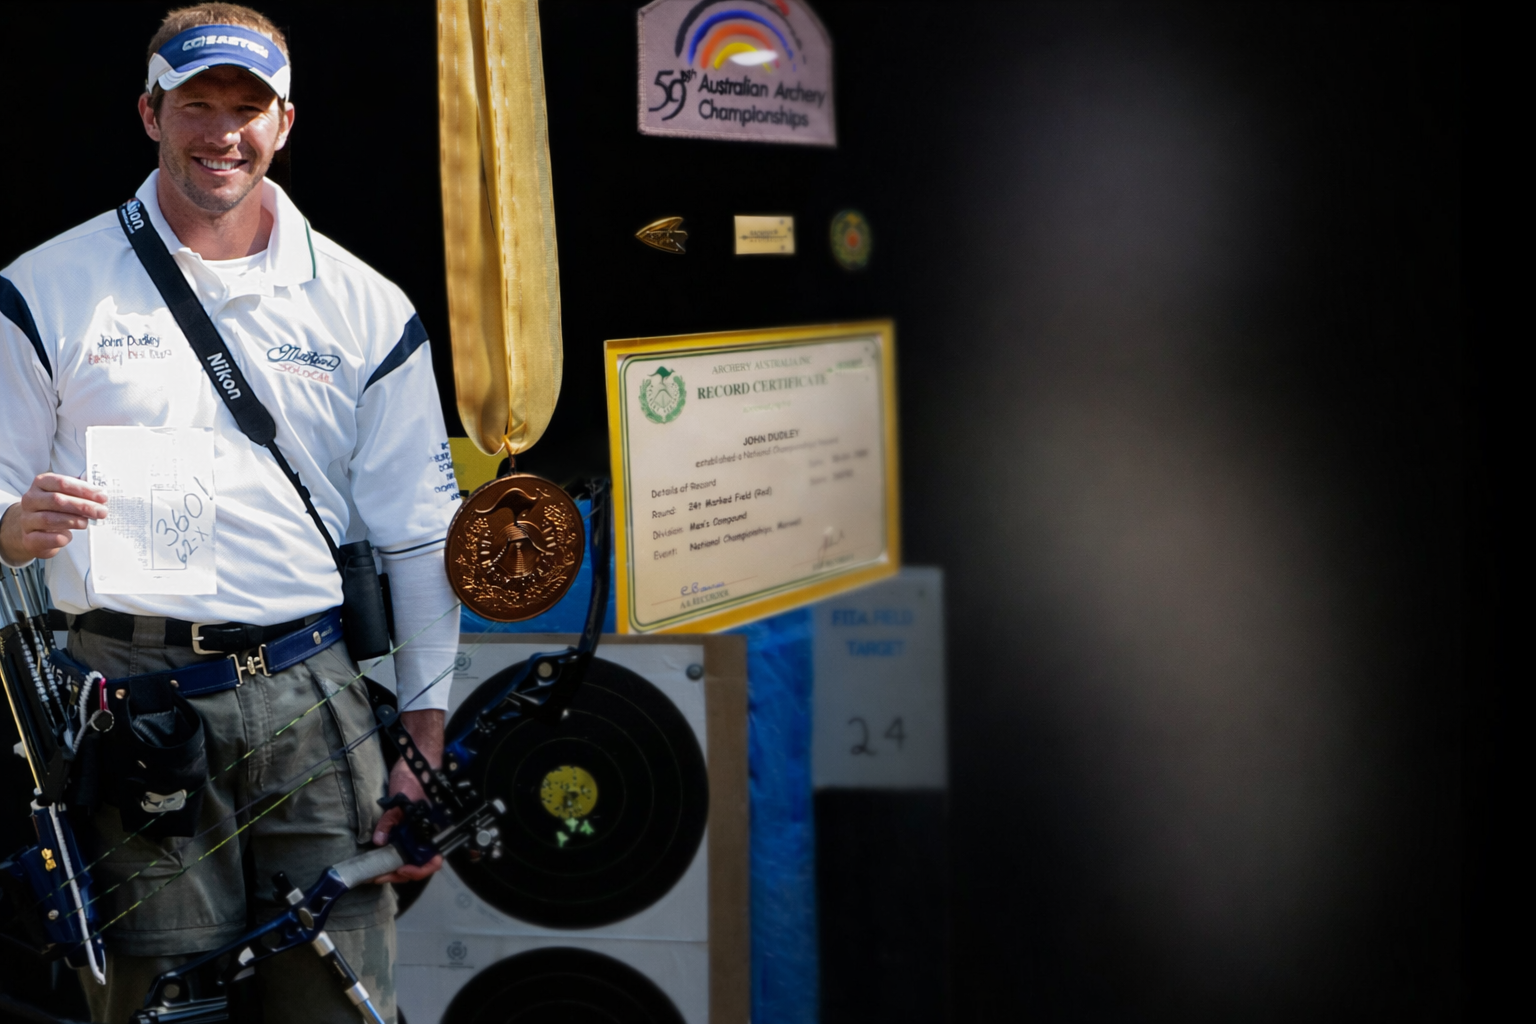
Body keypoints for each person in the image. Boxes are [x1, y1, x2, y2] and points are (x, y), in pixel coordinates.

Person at [0, 5, 460, 1021]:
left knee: (341, 1001)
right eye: (196, 104)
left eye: (246, 108)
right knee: (159, 1006)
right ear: (149, 113)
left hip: (313, 696)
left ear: (285, 123)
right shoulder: (46, 287)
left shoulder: (367, 306)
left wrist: (423, 738)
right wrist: (5, 527)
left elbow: (421, 535)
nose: (223, 131)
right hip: (131, 702)